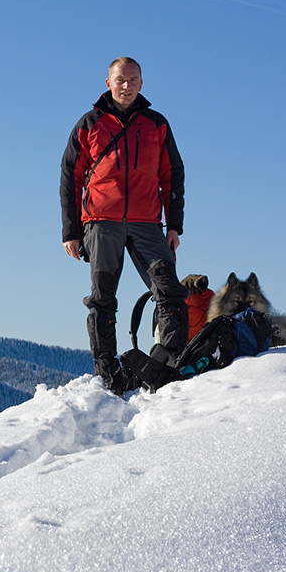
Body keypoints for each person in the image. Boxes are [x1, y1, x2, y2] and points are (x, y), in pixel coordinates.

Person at [60, 56, 189, 393]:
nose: (127, 86)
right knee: (103, 298)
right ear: (108, 83)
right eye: (121, 80)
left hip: (148, 223)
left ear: (141, 84)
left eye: (133, 80)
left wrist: (174, 225)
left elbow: (172, 175)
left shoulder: (156, 124)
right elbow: (71, 177)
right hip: (101, 223)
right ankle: (108, 372)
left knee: (169, 291)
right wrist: (70, 231)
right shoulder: (90, 123)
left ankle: (166, 361)